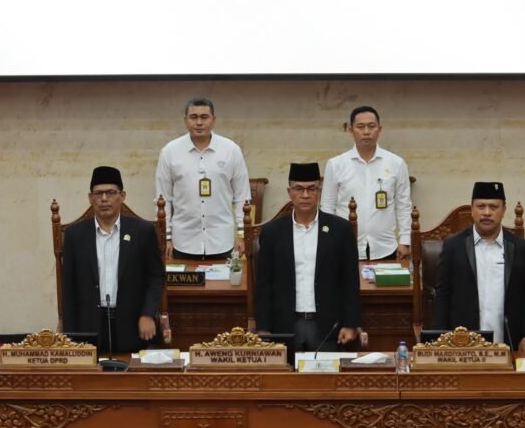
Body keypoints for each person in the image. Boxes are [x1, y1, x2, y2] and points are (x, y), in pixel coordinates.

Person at [255, 162, 360, 351]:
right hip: (285, 325)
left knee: (327, 379)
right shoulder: (273, 232)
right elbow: (264, 284)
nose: (305, 195)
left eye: (311, 189)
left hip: (329, 326)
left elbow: (350, 281)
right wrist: (263, 328)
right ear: (289, 192)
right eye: (298, 189)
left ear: (319, 191)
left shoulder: (340, 230)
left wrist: (350, 323)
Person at [62, 166, 165, 353]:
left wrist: (148, 314)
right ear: (90, 198)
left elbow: (156, 277)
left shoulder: (142, 232)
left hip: (133, 324)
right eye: (98, 193)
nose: (104, 199)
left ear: (122, 196)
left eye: (110, 193)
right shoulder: (74, 235)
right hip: (90, 325)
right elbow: (68, 288)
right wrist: (70, 335)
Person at [432, 182, 525, 351]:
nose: (487, 212)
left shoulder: (521, 248)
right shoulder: (453, 246)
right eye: (481, 206)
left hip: (509, 341)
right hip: (462, 344)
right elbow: (442, 294)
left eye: (493, 207)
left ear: (503, 210)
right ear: (472, 210)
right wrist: (439, 339)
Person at [155, 97, 251, 260]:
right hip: (183, 242)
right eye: (193, 117)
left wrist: (241, 235)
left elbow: (242, 197)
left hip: (222, 241)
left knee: (221, 285)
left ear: (213, 120)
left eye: (204, 117)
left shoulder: (231, 150)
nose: (199, 122)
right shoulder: (170, 152)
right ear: (185, 120)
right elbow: (163, 199)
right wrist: (167, 237)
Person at [320, 105, 412, 260]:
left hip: (386, 247)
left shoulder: (396, 163)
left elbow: (404, 204)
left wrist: (405, 241)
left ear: (380, 129)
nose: (366, 132)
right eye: (360, 127)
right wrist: (328, 240)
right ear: (351, 131)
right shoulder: (336, 164)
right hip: (345, 246)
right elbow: (328, 206)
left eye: (371, 126)